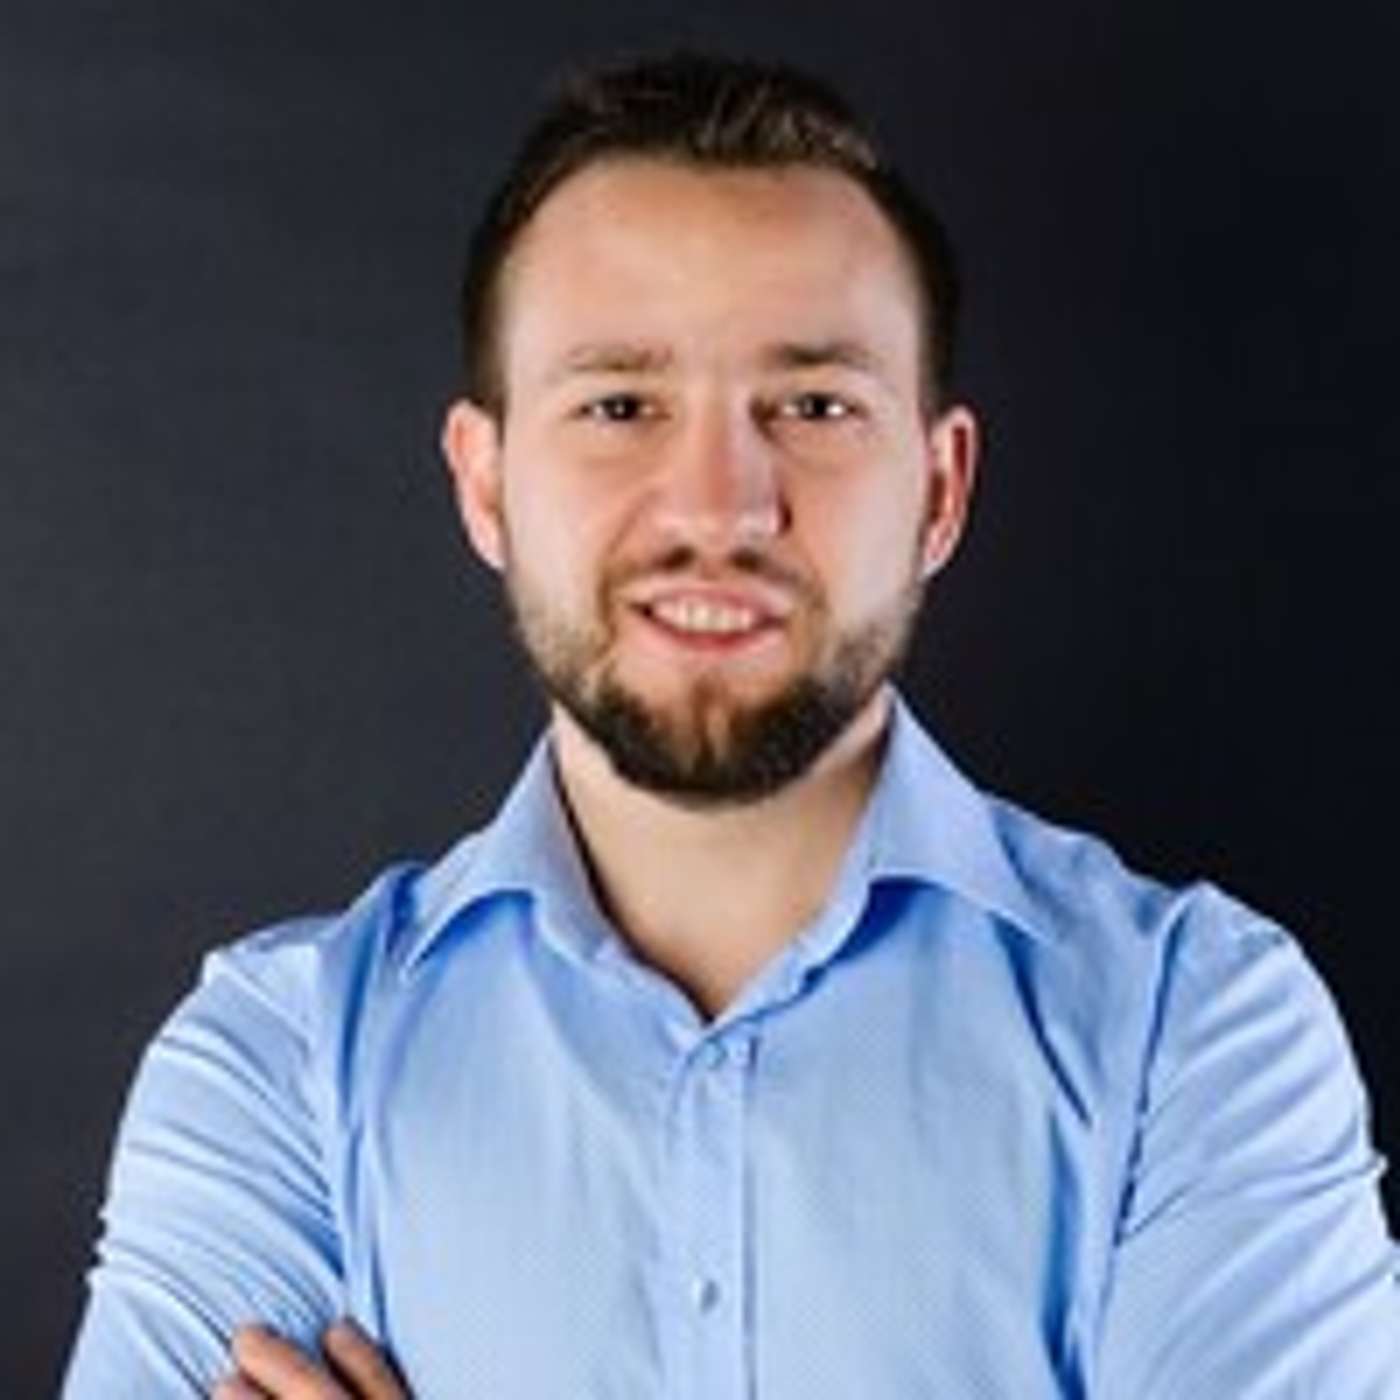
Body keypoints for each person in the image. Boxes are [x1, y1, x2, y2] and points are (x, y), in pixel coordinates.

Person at [63, 50, 1400, 1400]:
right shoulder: (280, 1062)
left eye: (814, 406)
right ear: (486, 484)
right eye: (620, 405)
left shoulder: (1194, 1032)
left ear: (940, 490)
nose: (717, 507)